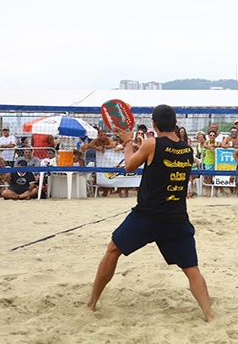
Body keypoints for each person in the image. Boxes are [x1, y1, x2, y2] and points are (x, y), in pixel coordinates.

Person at [86, 104, 214, 322]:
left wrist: (127, 142)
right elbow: (159, 158)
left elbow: (129, 166)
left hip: (147, 216)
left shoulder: (151, 143)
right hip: (176, 218)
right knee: (192, 269)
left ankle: (91, 304)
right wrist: (138, 146)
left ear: (154, 125)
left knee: (113, 250)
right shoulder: (187, 149)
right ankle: (210, 316)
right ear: (175, 123)